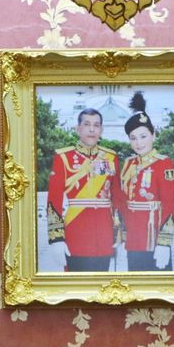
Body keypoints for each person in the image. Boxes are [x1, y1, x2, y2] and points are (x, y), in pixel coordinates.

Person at [46, 109, 120, 273]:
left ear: (101, 130)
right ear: (77, 128)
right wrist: (56, 239)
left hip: (104, 236)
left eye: (96, 125)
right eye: (86, 124)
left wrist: (118, 230)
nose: (92, 129)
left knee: (102, 290)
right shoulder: (63, 157)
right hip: (76, 235)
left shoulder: (111, 157)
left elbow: (117, 197)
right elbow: (54, 201)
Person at [114, 99, 174, 272]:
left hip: (153, 237)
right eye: (133, 138)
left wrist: (164, 243)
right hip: (133, 238)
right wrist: (120, 236)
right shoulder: (128, 164)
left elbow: (169, 206)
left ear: (153, 135)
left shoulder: (163, 164)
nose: (138, 143)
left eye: (143, 136)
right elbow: (122, 201)